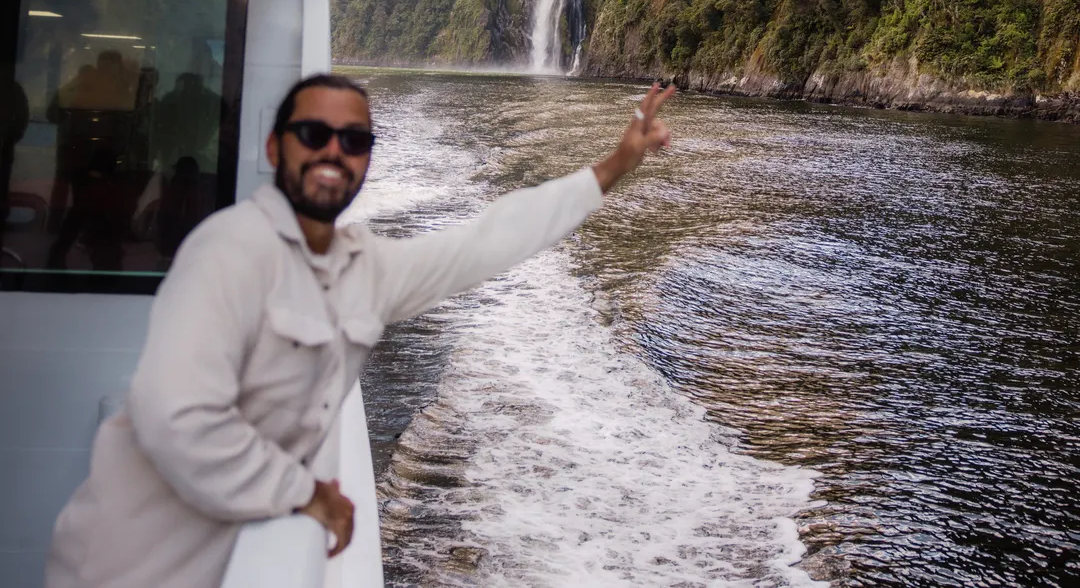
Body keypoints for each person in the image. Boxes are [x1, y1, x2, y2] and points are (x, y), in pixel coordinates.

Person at [44, 72, 675, 588]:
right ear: (275, 148)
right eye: (314, 133)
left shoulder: (363, 267)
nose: (333, 152)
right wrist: (308, 493)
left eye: (354, 141)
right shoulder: (230, 250)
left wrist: (617, 161)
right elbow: (176, 417)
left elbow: (486, 241)